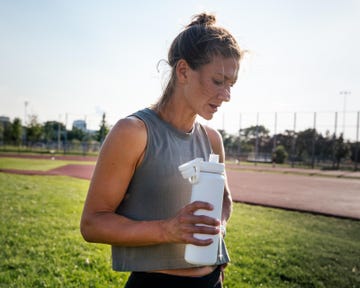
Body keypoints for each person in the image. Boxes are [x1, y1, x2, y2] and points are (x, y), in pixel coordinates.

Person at [80, 12, 245, 288]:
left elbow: (225, 201)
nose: (226, 95)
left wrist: (219, 226)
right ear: (183, 71)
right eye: (218, 81)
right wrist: (167, 230)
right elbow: (92, 224)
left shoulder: (213, 139)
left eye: (231, 85)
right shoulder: (133, 132)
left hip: (213, 280)